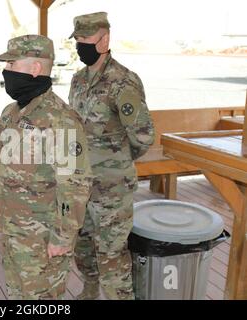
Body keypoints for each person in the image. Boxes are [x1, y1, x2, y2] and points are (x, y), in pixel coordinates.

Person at [0, 35, 93, 299]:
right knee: (18, 295)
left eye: (12, 64)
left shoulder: (61, 119)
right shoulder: (10, 113)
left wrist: (63, 235)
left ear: (35, 69)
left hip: (43, 235)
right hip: (13, 229)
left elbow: (75, 184)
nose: (6, 71)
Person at [68, 12, 155, 300]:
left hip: (112, 188)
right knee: (81, 244)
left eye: (86, 40)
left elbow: (143, 136)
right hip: (81, 184)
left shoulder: (123, 82)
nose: (81, 46)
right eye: (77, 40)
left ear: (104, 40)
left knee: (111, 253)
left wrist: (114, 160)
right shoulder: (78, 80)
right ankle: (90, 289)